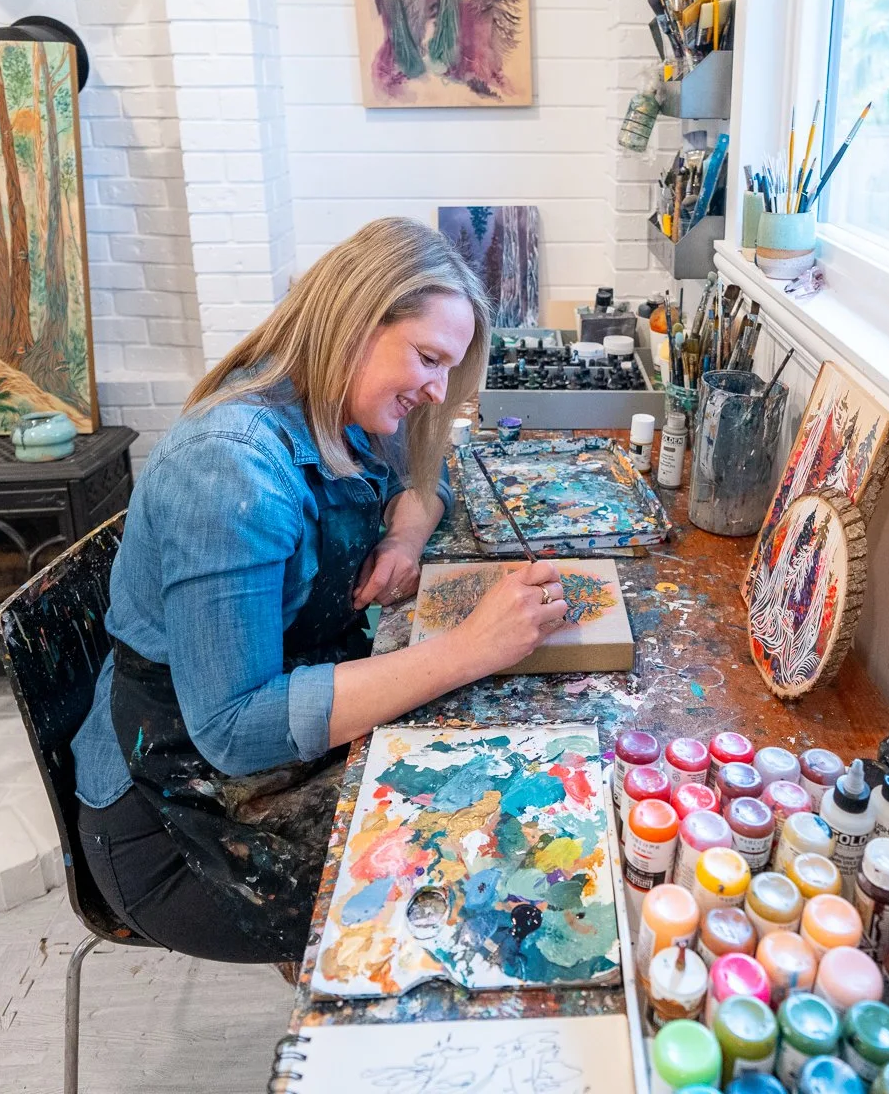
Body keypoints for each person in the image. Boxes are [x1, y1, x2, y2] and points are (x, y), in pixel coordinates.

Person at [68, 217, 570, 962]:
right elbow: (235, 729)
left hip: (252, 747)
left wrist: (402, 538)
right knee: (477, 882)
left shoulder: (347, 406)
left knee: (507, 802)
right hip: (175, 818)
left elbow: (427, 485)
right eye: (428, 359)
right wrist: (471, 648)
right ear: (356, 322)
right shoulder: (231, 470)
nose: (436, 392)